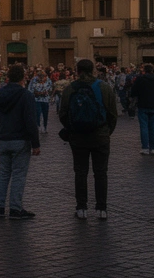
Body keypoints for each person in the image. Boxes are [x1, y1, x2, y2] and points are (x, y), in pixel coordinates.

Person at [58, 59, 117, 220]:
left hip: (78, 138)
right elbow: (113, 114)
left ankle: (81, 208)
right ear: (93, 70)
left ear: (77, 71)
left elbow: (62, 113)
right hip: (100, 136)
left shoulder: (70, 89)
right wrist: (106, 131)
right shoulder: (104, 87)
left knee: (80, 172)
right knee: (101, 173)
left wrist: (72, 128)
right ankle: (101, 208)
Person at [0, 64, 41, 219]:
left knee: (3, 173)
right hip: (20, 139)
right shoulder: (26, 95)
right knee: (19, 174)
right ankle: (15, 208)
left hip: (4, 139)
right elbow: (30, 120)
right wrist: (36, 143)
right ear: (23, 78)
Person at [128, 63, 154, 154]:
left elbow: (133, 91)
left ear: (144, 70)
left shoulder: (140, 79)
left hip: (143, 105)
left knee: (144, 127)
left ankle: (145, 147)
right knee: (153, 126)